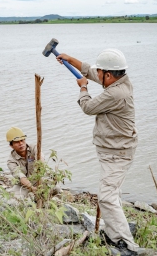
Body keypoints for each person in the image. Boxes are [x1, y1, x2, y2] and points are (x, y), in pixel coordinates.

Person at [57, 49, 139, 255]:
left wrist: (83, 88)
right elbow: (93, 72)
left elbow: (88, 107)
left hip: (117, 151)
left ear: (109, 75)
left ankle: (126, 244)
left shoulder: (114, 93)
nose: (97, 74)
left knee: (106, 197)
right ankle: (113, 234)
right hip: (114, 149)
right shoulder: (120, 79)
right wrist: (70, 60)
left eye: (101, 72)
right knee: (113, 194)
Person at [6, 127, 60, 200]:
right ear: (11, 145)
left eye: (22, 140)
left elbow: (41, 158)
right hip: (23, 185)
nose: (21, 143)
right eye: (17, 142)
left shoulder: (34, 148)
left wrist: (40, 167)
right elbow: (21, 177)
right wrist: (32, 188)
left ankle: (43, 200)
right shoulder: (11, 161)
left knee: (56, 188)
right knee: (15, 201)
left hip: (39, 179)